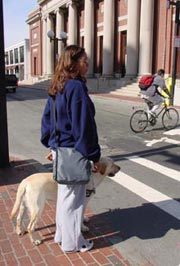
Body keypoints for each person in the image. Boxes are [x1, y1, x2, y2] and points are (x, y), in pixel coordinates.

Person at [40, 45, 101, 253]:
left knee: (65, 197)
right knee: (74, 201)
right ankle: (73, 243)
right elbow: (83, 125)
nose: (88, 63)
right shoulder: (75, 87)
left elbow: (48, 118)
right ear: (73, 62)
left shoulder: (59, 84)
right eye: (85, 60)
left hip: (61, 149)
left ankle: (61, 235)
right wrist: (94, 155)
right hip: (74, 151)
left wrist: (52, 143)